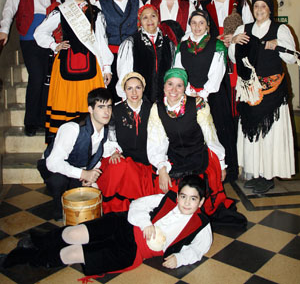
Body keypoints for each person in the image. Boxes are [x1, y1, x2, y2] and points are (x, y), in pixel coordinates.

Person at [1, 175, 212, 275]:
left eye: (193, 199)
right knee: (75, 233)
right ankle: (39, 241)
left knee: (74, 253)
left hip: (132, 251)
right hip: (124, 224)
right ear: (177, 195)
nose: (186, 202)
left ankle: (28, 257)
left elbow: (198, 250)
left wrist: (180, 258)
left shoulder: (201, 225)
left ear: (201, 202)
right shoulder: (166, 199)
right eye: (183, 196)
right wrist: (146, 222)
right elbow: (137, 204)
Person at [147, 68, 242, 220]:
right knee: (168, 194)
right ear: (164, 86)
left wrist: (221, 164)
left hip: (199, 156)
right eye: (170, 84)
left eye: (179, 85)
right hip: (175, 157)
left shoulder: (198, 104)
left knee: (195, 194)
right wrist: (162, 169)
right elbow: (156, 141)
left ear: (185, 87)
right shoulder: (157, 109)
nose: (174, 90)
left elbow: (210, 135)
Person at [229, 0, 297, 194]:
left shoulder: (280, 29)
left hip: (274, 93)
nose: (259, 9)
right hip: (250, 92)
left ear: (270, 10)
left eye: (263, 6)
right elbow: (234, 59)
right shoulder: (244, 29)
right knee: (253, 133)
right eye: (256, 6)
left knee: (271, 134)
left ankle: (269, 175)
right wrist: (234, 41)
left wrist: (279, 45)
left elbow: (292, 58)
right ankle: (255, 172)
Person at [34, 0, 113, 141]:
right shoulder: (61, 10)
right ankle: (64, 144)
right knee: (66, 103)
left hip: (91, 64)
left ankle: (89, 141)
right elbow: (40, 32)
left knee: (89, 103)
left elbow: (101, 41)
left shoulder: (95, 12)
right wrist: (54, 45)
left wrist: (107, 68)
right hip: (65, 64)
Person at [0, 0, 60, 136]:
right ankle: (30, 121)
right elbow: (10, 7)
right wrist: (4, 30)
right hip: (29, 36)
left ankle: (42, 119)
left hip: (48, 36)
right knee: (36, 76)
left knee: (46, 80)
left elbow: (58, 12)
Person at [173, 10, 238, 180]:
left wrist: (203, 93)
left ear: (207, 26)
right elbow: (178, 70)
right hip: (188, 95)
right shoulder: (182, 46)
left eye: (201, 23)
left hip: (213, 96)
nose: (197, 26)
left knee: (215, 134)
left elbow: (217, 73)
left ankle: (220, 173)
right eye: (193, 23)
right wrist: (187, 91)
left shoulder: (217, 45)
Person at [37, 88, 118, 220]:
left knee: (92, 194)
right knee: (59, 181)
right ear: (90, 110)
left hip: (78, 167)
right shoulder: (72, 129)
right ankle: (59, 210)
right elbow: (52, 163)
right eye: (101, 107)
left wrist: (89, 173)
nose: (106, 112)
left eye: (109, 106)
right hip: (52, 167)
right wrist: (83, 174)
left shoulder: (104, 128)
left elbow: (98, 150)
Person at [98, 72, 157, 212]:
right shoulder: (115, 111)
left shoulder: (153, 110)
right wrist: (115, 152)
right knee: (118, 167)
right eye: (129, 88)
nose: (134, 92)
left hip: (147, 160)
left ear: (143, 89)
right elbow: (110, 136)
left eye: (138, 87)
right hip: (125, 157)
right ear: (124, 90)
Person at [97, 0, 143, 101]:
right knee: (114, 95)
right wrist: (106, 67)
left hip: (134, 55)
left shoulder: (137, 2)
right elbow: (100, 38)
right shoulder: (99, 4)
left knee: (134, 93)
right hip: (112, 56)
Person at [116, 4, 175, 102]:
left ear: (158, 19)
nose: (150, 20)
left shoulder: (168, 43)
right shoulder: (131, 43)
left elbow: (172, 71)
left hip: (164, 98)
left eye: (153, 16)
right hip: (140, 99)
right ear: (140, 22)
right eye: (145, 17)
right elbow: (124, 76)